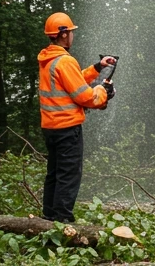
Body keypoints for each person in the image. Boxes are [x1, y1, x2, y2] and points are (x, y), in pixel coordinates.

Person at [38, 12, 115, 222]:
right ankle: (63, 221)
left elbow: (73, 81)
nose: (72, 35)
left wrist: (98, 68)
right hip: (67, 128)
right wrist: (102, 91)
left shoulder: (48, 59)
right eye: (70, 32)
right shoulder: (64, 61)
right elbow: (85, 96)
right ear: (63, 35)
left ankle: (49, 217)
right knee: (68, 175)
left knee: (54, 174)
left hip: (51, 127)